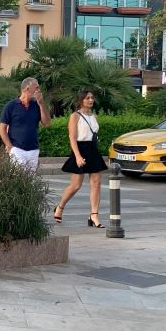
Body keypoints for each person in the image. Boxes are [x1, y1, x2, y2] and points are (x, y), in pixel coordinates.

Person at [55, 89, 108, 228]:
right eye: (87, 98)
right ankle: (60, 207)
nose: (91, 100)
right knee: (75, 185)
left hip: (92, 150)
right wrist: (78, 156)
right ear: (81, 101)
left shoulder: (94, 116)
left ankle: (94, 215)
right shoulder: (75, 116)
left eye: (92, 98)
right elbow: (72, 137)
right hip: (80, 149)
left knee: (96, 184)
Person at [0, 77, 50, 171]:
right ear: (27, 89)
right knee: (20, 178)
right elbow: (2, 129)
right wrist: (10, 147)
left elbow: (46, 123)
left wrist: (41, 104)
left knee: (31, 181)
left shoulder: (36, 105)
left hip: (33, 149)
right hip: (17, 149)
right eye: (36, 87)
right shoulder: (11, 106)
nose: (39, 90)